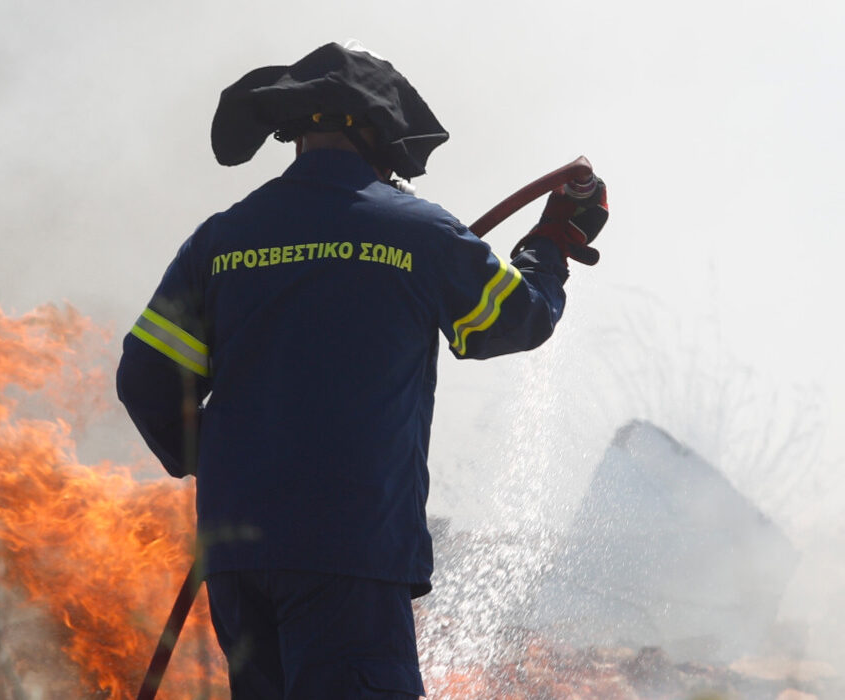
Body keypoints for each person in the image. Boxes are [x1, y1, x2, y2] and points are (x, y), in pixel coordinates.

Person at [116, 42, 608, 699]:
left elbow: (146, 378)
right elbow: (517, 319)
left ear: (298, 136)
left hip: (240, 557)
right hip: (348, 549)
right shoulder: (419, 234)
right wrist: (552, 242)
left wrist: (228, 461)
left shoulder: (222, 239)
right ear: (380, 134)